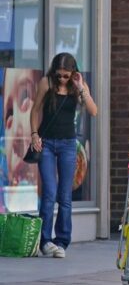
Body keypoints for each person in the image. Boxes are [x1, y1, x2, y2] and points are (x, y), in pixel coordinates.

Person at [29, 53, 98, 258]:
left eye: (66, 76)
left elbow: (94, 111)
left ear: (73, 73)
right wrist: (34, 135)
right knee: (49, 193)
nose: (61, 79)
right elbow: (35, 111)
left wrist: (80, 87)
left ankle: (62, 242)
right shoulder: (46, 82)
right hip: (47, 144)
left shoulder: (77, 86)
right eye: (59, 75)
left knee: (65, 196)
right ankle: (45, 241)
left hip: (68, 144)